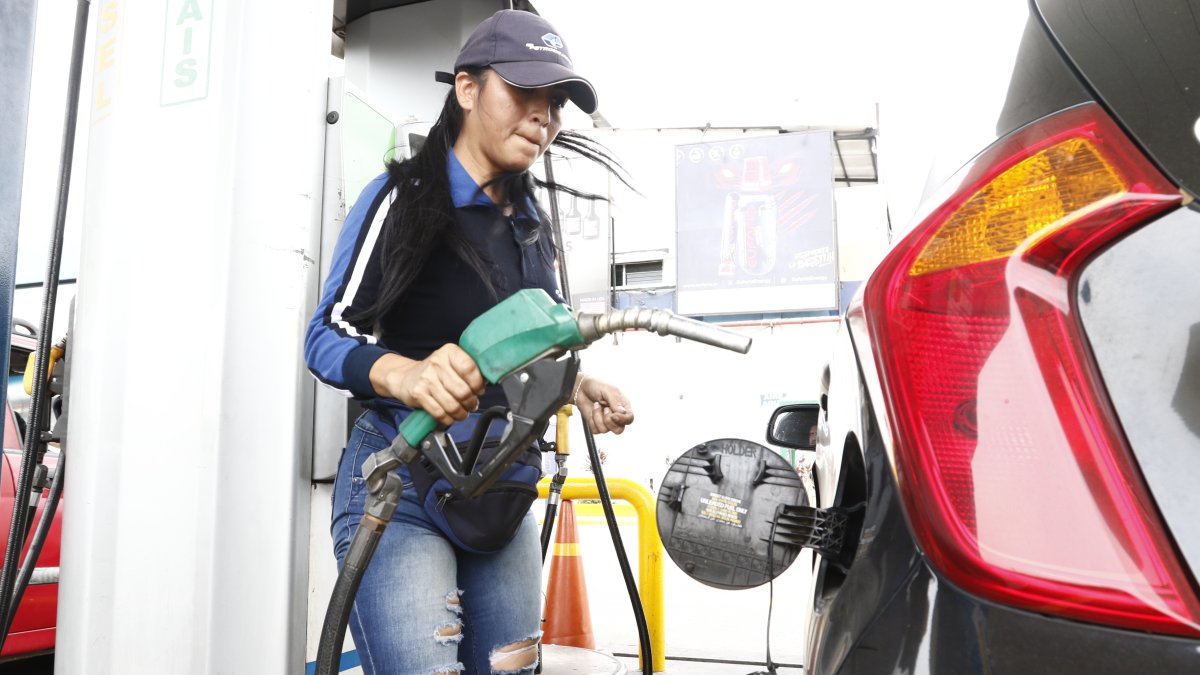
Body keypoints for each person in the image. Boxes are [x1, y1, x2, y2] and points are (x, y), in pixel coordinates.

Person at [304, 10, 633, 675]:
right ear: (466, 89)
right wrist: (406, 374)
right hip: (405, 490)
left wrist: (576, 385)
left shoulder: (535, 224)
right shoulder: (403, 200)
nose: (544, 116)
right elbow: (325, 335)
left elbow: (525, 350)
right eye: (524, 93)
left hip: (502, 497)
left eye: (555, 103)